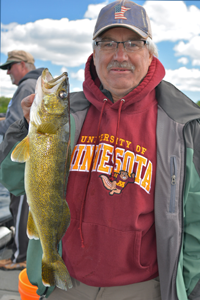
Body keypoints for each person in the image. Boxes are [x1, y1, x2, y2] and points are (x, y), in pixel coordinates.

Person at [0, 1, 200, 299]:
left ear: (150, 53)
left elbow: (195, 219)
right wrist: (24, 127)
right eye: (107, 43)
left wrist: (187, 286)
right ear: (94, 54)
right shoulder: (67, 116)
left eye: (133, 43)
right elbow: (13, 181)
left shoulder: (182, 125)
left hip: (144, 287)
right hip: (64, 281)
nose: (120, 55)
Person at [0, 50, 44, 270]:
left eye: (10, 66)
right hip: (30, 161)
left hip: (23, 163)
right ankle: (23, 254)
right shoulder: (32, 85)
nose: (7, 72)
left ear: (24, 65)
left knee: (20, 208)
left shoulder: (27, 86)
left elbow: (16, 125)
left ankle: (21, 257)